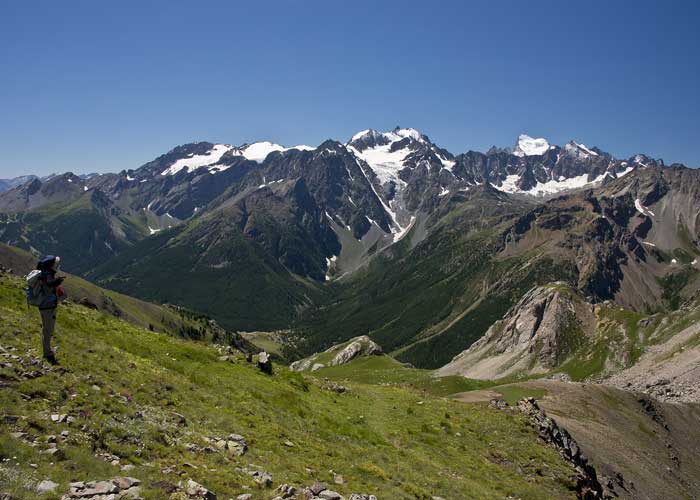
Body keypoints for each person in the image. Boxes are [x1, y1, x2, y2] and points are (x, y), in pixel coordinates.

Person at [36, 255, 65, 363]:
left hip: (44, 306)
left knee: (46, 329)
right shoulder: (48, 275)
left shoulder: (43, 273)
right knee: (48, 330)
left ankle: (47, 350)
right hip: (48, 307)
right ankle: (47, 353)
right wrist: (57, 281)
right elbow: (49, 284)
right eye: (55, 264)